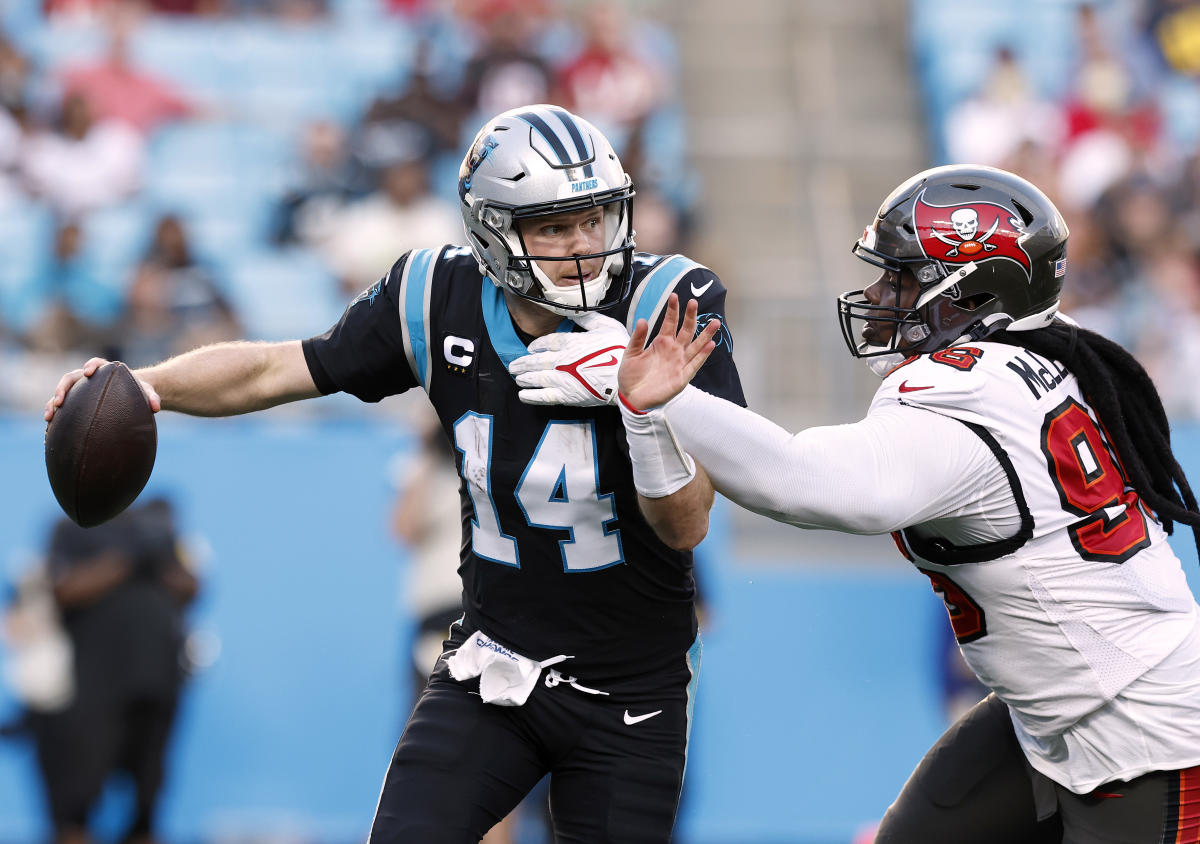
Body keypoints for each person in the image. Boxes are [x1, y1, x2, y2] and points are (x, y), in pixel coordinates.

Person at [45, 103, 745, 843]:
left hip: (629, 689)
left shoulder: (669, 303)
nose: (582, 246)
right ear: (493, 234)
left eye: (594, 218)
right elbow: (279, 367)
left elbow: (687, 522)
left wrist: (642, 409)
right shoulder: (435, 297)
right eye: (552, 226)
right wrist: (144, 386)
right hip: (492, 663)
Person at [519, 164, 1200, 843]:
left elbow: (798, 481)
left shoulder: (964, 392)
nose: (878, 294)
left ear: (971, 295)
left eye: (902, 277)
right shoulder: (1050, 354)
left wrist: (651, 391)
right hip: (1056, 712)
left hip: (1146, 733)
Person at [29, 497, 199, 844]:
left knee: (148, 799)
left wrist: (157, 555)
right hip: (92, 685)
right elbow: (61, 589)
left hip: (156, 678)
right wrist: (124, 560)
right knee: (77, 799)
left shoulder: (160, 530)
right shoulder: (71, 526)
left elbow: (191, 586)